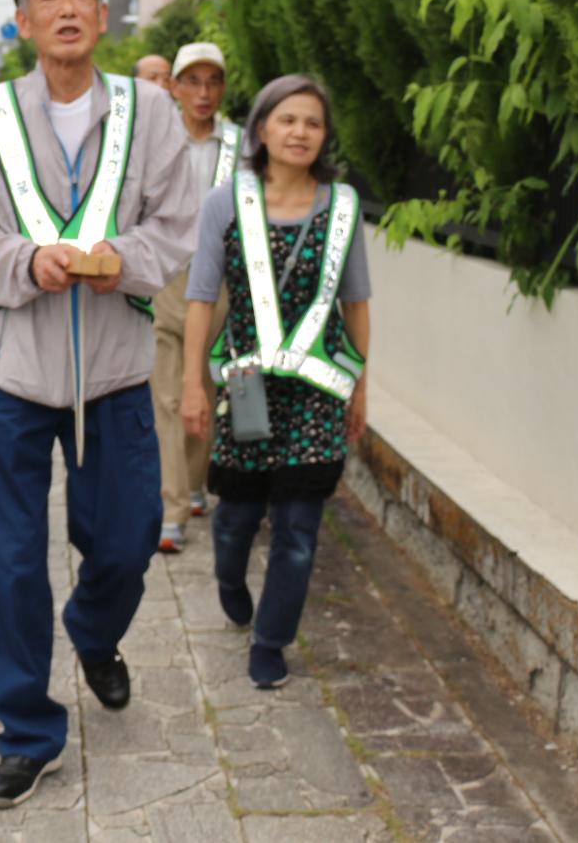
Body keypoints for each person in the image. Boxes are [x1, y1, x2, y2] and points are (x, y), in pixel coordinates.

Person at [0, 0, 200, 809]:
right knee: (10, 563)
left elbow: (177, 222)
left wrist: (119, 257)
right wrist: (25, 260)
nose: (66, 7)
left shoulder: (149, 113)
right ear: (23, 20)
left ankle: (93, 630)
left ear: (105, 14)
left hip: (117, 373)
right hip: (11, 375)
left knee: (127, 542)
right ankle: (28, 731)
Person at [181, 74, 370, 691]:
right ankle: (230, 580)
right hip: (247, 388)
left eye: (313, 123)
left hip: (316, 390)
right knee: (234, 519)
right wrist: (192, 386)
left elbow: (357, 302)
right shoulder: (225, 202)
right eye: (288, 120)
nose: (300, 132)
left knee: (297, 529)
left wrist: (360, 387)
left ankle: (271, 640)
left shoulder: (341, 206)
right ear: (261, 129)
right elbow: (202, 298)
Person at [153, 42, 242, 553]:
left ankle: (193, 483)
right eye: (192, 81)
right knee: (167, 392)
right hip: (169, 276)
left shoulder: (241, 145)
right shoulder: (157, 140)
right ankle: (172, 510)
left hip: (224, 280)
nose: (203, 93)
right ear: (175, 86)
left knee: (204, 390)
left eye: (213, 82)